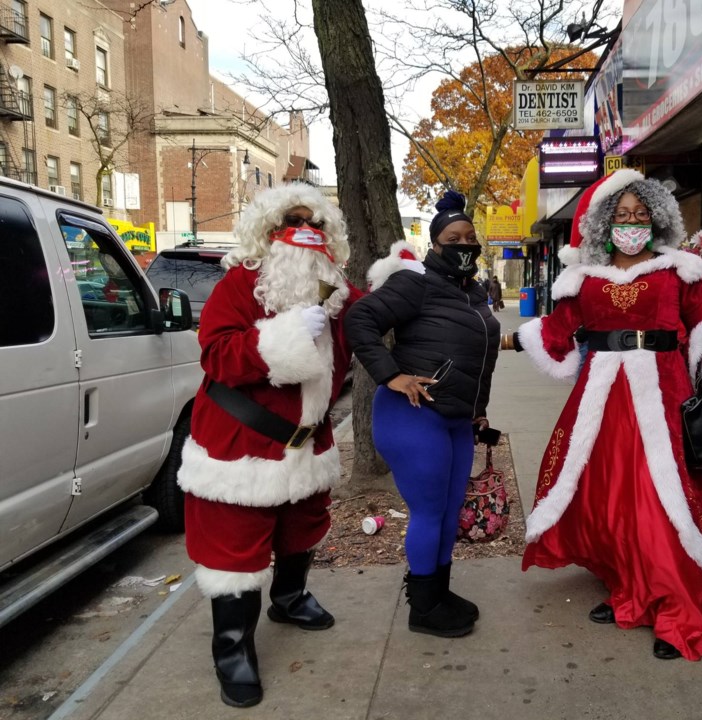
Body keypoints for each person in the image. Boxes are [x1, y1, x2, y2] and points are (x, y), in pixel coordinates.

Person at [503, 169, 702, 661]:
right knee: (612, 499)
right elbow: (556, 337)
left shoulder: (680, 272)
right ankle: (628, 584)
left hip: (664, 400)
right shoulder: (579, 280)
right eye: (622, 215)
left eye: (640, 213)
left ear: (656, 219)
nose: (631, 221)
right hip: (601, 406)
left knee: (662, 500)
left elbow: (698, 340)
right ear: (605, 224)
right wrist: (494, 337)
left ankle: (675, 607)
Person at [177, 183, 362, 707]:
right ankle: (232, 650)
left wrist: (414, 278)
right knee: (235, 550)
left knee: (301, 527)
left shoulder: (336, 290)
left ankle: (290, 597)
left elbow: (380, 316)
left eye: (316, 223)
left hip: (307, 443)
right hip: (241, 448)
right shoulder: (241, 283)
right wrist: (281, 336)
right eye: (291, 221)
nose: (304, 232)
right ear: (268, 232)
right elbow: (216, 354)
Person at [345, 190, 499, 638]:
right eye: (454, 237)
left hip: (456, 419)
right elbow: (361, 320)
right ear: (435, 244)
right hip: (414, 416)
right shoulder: (416, 282)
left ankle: (439, 592)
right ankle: (423, 607)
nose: (465, 244)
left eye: (471, 237)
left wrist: (478, 411)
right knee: (430, 512)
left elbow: (477, 357)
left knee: (450, 511)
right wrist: (392, 375)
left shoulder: (472, 293)